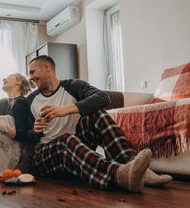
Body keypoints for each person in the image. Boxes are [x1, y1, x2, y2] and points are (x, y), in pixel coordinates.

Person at [26, 55, 172, 192]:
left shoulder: (73, 86)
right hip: (45, 157)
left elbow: (103, 98)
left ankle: (134, 166)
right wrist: (36, 130)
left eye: (33, 72)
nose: (31, 77)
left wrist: (65, 110)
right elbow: (26, 135)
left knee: (97, 113)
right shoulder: (31, 100)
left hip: (76, 150)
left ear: (47, 67)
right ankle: (119, 175)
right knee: (66, 139)